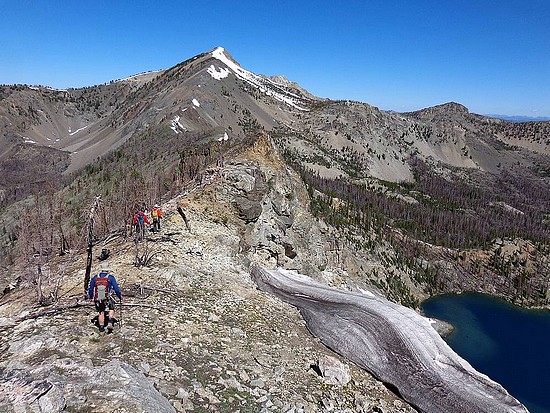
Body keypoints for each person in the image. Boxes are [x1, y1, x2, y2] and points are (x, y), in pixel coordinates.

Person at [88, 263, 122, 333]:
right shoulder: (110, 277)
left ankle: (101, 328)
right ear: (108, 270)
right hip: (108, 297)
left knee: (101, 311)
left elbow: (91, 289)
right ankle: (110, 321)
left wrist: (91, 297)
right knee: (111, 308)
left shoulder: (95, 278)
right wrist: (119, 297)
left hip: (98, 298)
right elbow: (116, 289)